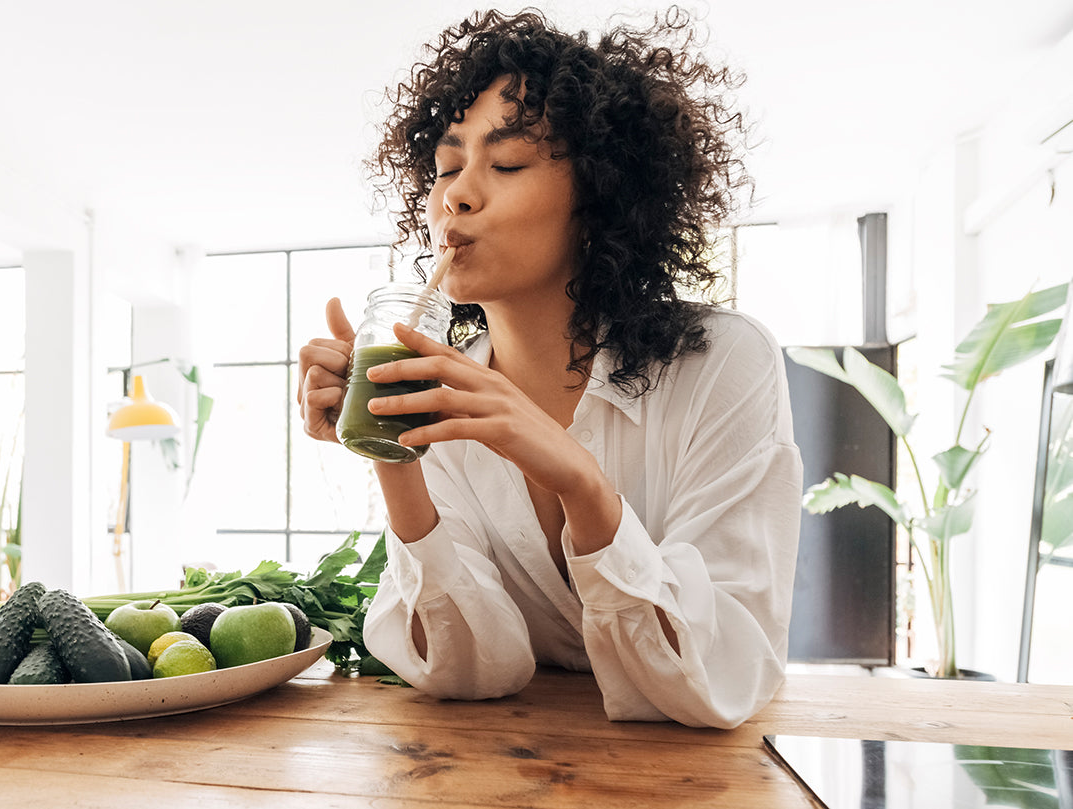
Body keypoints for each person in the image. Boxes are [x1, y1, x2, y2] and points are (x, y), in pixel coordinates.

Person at [296, 7, 802, 729]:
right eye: (446, 166)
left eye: (505, 163)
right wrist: (393, 450)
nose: (456, 195)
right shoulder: (438, 387)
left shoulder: (722, 364)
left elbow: (725, 675)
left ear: (597, 195)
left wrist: (581, 482)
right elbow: (467, 671)